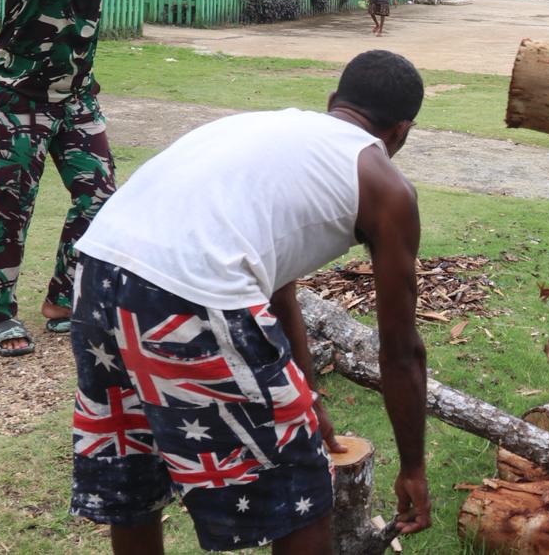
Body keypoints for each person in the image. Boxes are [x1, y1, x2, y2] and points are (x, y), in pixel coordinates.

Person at [69, 50, 432, 552]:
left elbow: (277, 282)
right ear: (401, 131)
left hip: (98, 270)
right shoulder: (386, 186)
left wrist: (308, 395)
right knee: (302, 490)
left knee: (136, 469)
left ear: (333, 102)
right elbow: (400, 351)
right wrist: (414, 468)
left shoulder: (269, 129)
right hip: (192, 291)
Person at [0, 0, 183, 357]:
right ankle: (2, 314)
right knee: (12, 203)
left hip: (75, 98)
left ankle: (60, 300)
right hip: (21, 95)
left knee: (98, 198)